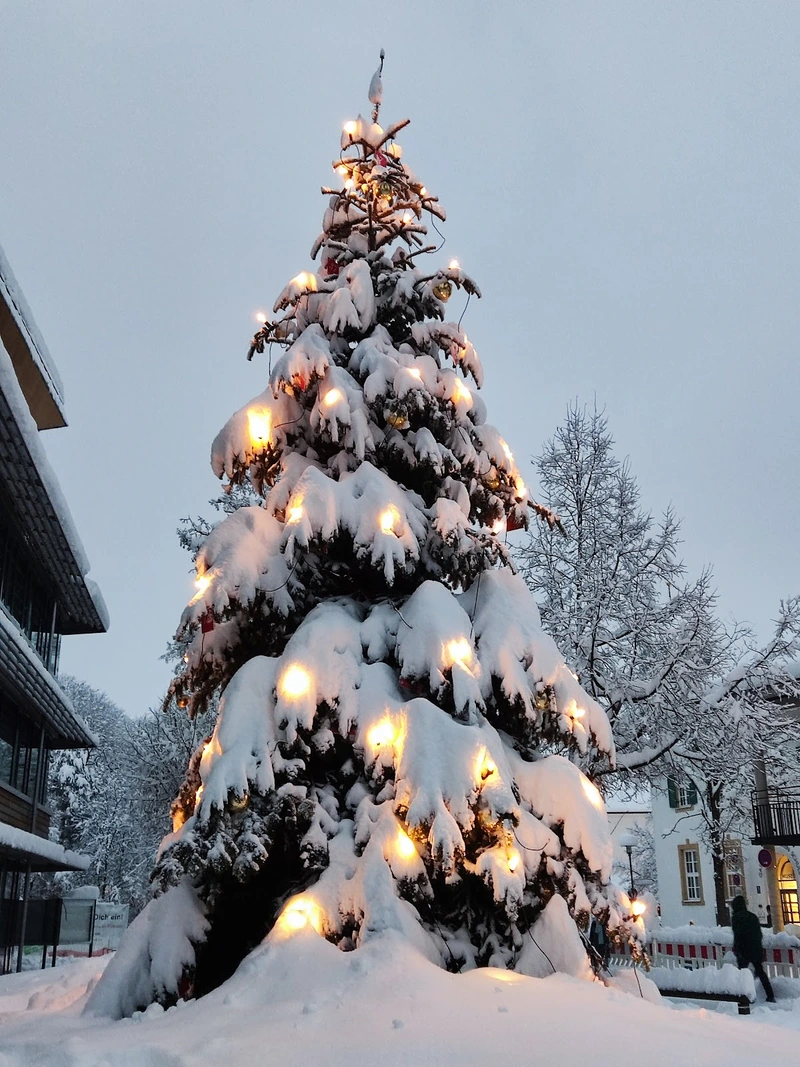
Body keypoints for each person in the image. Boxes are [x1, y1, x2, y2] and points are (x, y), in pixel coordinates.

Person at [730, 895, 776, 1002]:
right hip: (755, 948)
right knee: (760, 972)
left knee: (742, 974)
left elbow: (738, 935)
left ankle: (743, 996)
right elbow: (759, 934)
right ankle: (770, 995)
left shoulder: (736, 918)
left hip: (743, 949)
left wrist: (737, 949)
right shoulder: (753, 916)